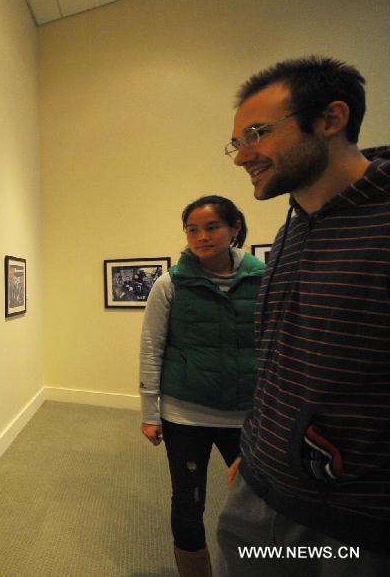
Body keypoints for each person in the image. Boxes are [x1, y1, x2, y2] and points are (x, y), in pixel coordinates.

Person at [215, 56, 390, 575]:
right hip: (261, 488)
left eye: (256, 134)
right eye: (237, 141)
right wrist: (260, 444)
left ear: (330, 120)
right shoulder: (296, 226)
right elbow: (283, 360)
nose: (241, 156)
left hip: (352, 525)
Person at [139, 195, 264, 576]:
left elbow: (279, 345)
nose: (201, 237)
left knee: (259, 504)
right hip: (185, 414)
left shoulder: (264, 279)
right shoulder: (169, 284)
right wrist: (150, 412)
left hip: (248, 416)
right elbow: (151, 347)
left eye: (211, 227)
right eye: (192, 229)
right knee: (189, 502)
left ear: (234, 229)